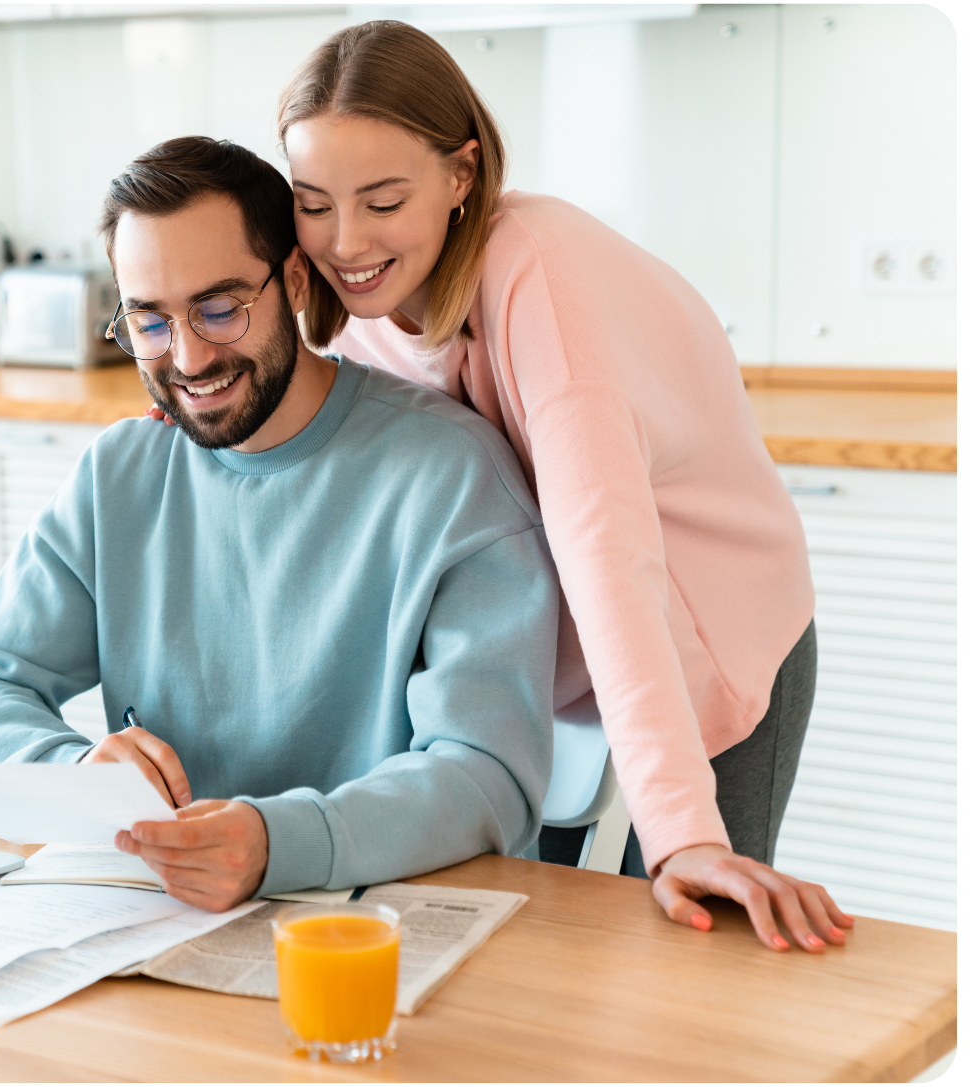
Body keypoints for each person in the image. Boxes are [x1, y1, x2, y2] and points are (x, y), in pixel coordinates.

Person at [264, 20, 850, 951]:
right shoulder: (358, 318)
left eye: (382, 201)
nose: (346, 242)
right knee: (554, 960)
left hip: (699, 635)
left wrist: (682, 830)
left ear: (461, 175)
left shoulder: (540, 278)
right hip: (549, 668)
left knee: (684, 953)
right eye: (313, 203)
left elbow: (605, 554)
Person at [0, 136, 561, 912]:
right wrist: (73, 772)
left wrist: (278, 843)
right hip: (161, 919)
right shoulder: (121, 473)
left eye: (220, 308)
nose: (188, 358)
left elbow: (489, 775)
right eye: (149, 322)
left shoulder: (451, 475)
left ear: (295, 278)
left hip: (381, 925)